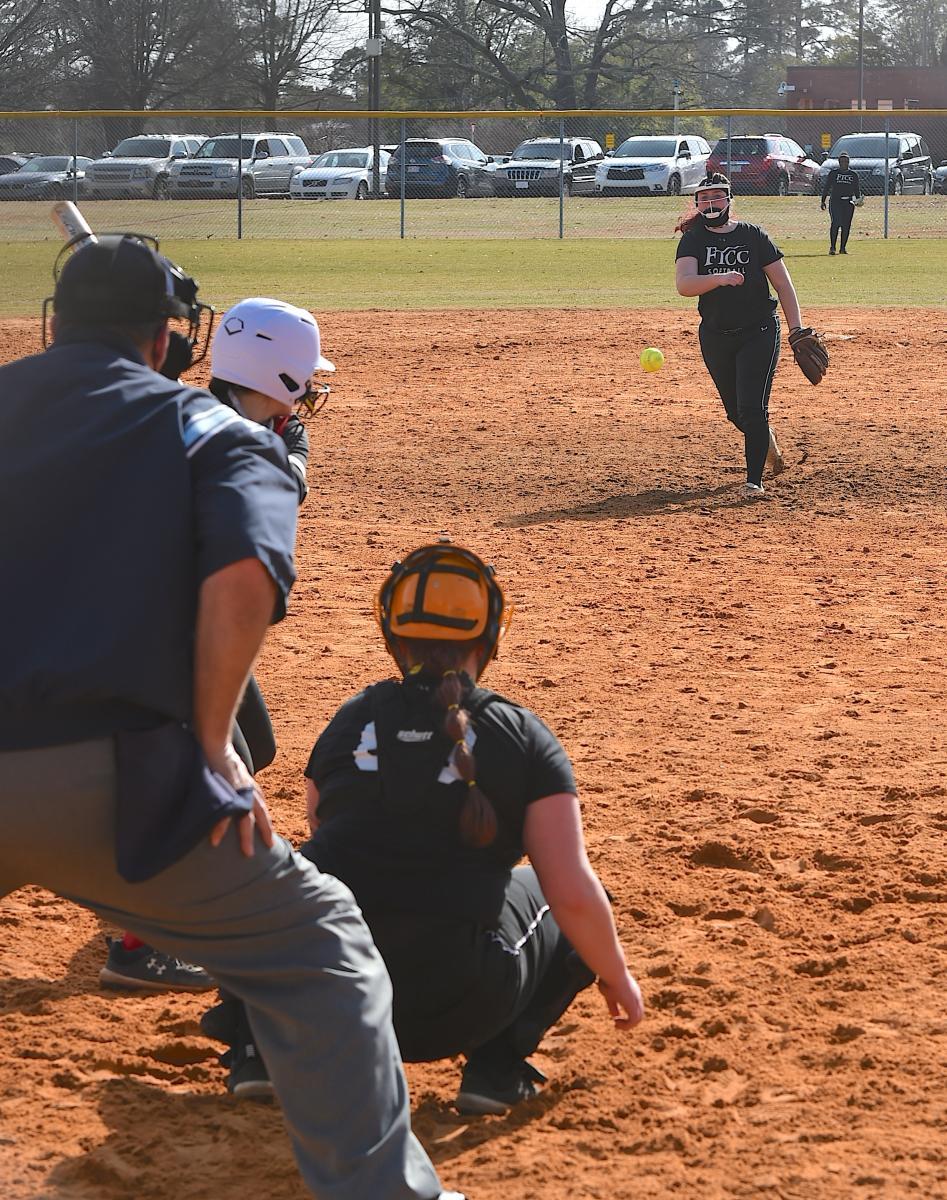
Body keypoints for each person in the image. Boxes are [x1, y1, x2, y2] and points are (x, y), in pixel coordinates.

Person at [0, 234, 459, 1200]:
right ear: (169, 339)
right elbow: (246, 576)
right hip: (110, 781)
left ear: (55, 322)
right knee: (324, 955)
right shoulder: (215, 435)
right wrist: (211, 745)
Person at [202, 541, 645, 1111]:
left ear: (393, 636)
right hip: (461, 1004)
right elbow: (574, 894)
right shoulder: (523, 736)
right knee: (579, 893)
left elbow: (321, 828)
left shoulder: (351, 720)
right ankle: (495, 1066)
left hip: (332, 996)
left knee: (282, 877)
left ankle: (257, 1049)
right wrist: (618, 977)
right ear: (488, 639)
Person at [100, 297, 334, 993]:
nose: (312, 388)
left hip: (177, 620)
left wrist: (284, 441)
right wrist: (290, 450)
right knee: (201, 775)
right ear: (277, 374)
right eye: (302, 375)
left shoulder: (211, 417)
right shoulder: (227, 435)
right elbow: (277, 483)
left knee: (251, 745)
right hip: (166, 631)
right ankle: (140, 945)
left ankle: (160, 897)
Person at [675, 172, 812, 497]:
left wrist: (796, 329)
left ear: (729, 200)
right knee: (736, 413)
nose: (711, 203)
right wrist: (720, 277)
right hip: (715, 335)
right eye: (704, 198)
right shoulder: (693, 239)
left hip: (759, 331)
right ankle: (767, 441)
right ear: (697, 202)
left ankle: (755, 482)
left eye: (717, 197)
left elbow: (783, 284)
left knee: (752, 409)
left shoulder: (752, 235)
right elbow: (684, 285)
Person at [821, 152, 862, 255]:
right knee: (836, 222)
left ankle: (843, 248)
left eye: (846, 161)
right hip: (836, 201)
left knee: (846, 225)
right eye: (842, 161)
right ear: (839, 162)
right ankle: (833, 247)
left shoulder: (853, 175)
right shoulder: (833, 174)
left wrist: (858, 200)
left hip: (848, 202)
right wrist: (823, 200)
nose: (844, 163)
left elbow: (856, 189)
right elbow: (827, 187)